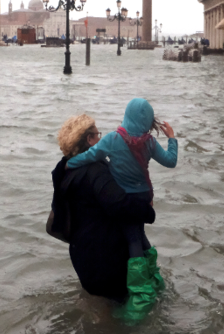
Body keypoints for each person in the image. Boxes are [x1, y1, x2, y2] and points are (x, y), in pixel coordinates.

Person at [65, 98, 177, 319]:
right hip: (145, 197)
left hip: (126, 199)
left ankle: (139, 293)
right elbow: (170, 161)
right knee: (140, 235)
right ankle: (155, 278)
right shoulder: (149, 143)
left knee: (133, 238)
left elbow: (91, 155)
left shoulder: (113, 139)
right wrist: (172, 139)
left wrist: (69, 164)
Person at [50, 114, 156, 305]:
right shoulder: (95, 171)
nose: (100, 139)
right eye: (97, 134)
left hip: (82, 256)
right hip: (106, 260)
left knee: (98, 309)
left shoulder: (65, 170)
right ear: (89, 140)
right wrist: (148, 211)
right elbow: (119, 204)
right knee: (119, 312)